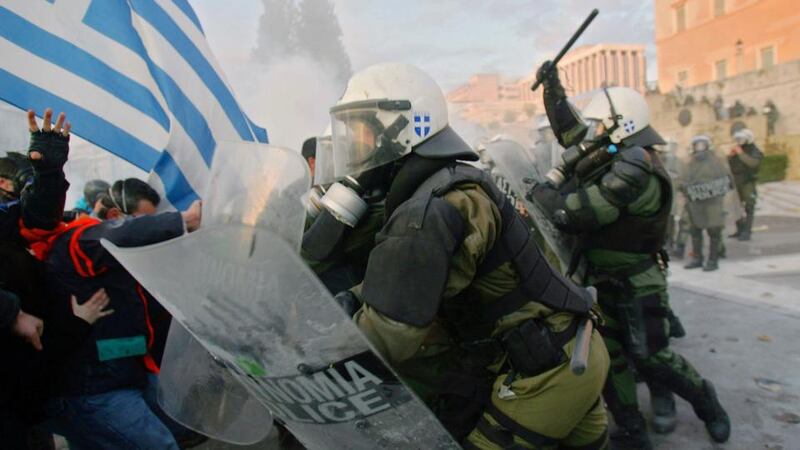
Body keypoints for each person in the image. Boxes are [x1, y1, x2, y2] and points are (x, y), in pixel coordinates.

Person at [326, 62, 610, 449]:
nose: (354, 146)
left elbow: (392, 334)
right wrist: (357, 297)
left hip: (542, 377)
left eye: (361, 131)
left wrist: (323, 352)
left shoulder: (426, 211)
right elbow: (427, 277)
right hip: (577, 350)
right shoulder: (457, 182)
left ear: (403, 129)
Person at [527, 64, 730, 449]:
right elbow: (573, 133)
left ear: (621, 124)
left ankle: (707, 402)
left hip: (638, 280)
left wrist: (545, 192)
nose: (595, 134)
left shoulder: (636, 167)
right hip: (600, 278)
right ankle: (632, 428)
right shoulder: (612, 154)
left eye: (601, 125)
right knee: (612, 358)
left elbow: (578, 213)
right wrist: (553, 90)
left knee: (652, 356)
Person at [24, 172, 202, 449]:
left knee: (181, 422)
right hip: (96, 386)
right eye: (140, 220)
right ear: (116, 214)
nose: (142, 227)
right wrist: (184, 220)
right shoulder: (78, 239)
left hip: (129, 370)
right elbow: (116, 236)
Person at [680, 135, 731, 272]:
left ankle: (713, 260)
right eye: (697, 145)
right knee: (695, 230)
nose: (700, 148)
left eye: (702, 145)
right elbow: (682, 180)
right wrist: (685, 187)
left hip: (712, 202)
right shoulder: (689, 163)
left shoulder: (716, 161)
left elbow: (726, 180)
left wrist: (710, 188)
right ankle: (697, 258)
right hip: (695, 202)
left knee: (714, 231)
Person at [727, 128, 763, 241]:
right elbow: (729, 165)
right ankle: (740, 229)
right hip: (736, 182)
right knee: (736, 208)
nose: (739, 141)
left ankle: (747, 232)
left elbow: (753, 163)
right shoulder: (738, 150)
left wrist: (740, 153)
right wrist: (731, 156)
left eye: (741, 139)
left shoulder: (754, 150)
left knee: (749, 207)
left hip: (748, 183)